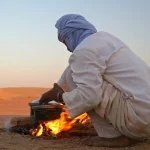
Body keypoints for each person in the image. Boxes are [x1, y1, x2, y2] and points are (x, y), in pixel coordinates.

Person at [39, 14, 150, 147]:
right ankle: (123, 132)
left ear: (72, 35)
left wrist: (59, 96)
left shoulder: (84, 50)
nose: (67, 48)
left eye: (65, 41)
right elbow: (72, 69)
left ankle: (112, 137)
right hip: (144, 114)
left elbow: (89, 97)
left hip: (138, 121)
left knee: (79, 82)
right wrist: (56, 88)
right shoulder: (105, 39)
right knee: (74, 72)